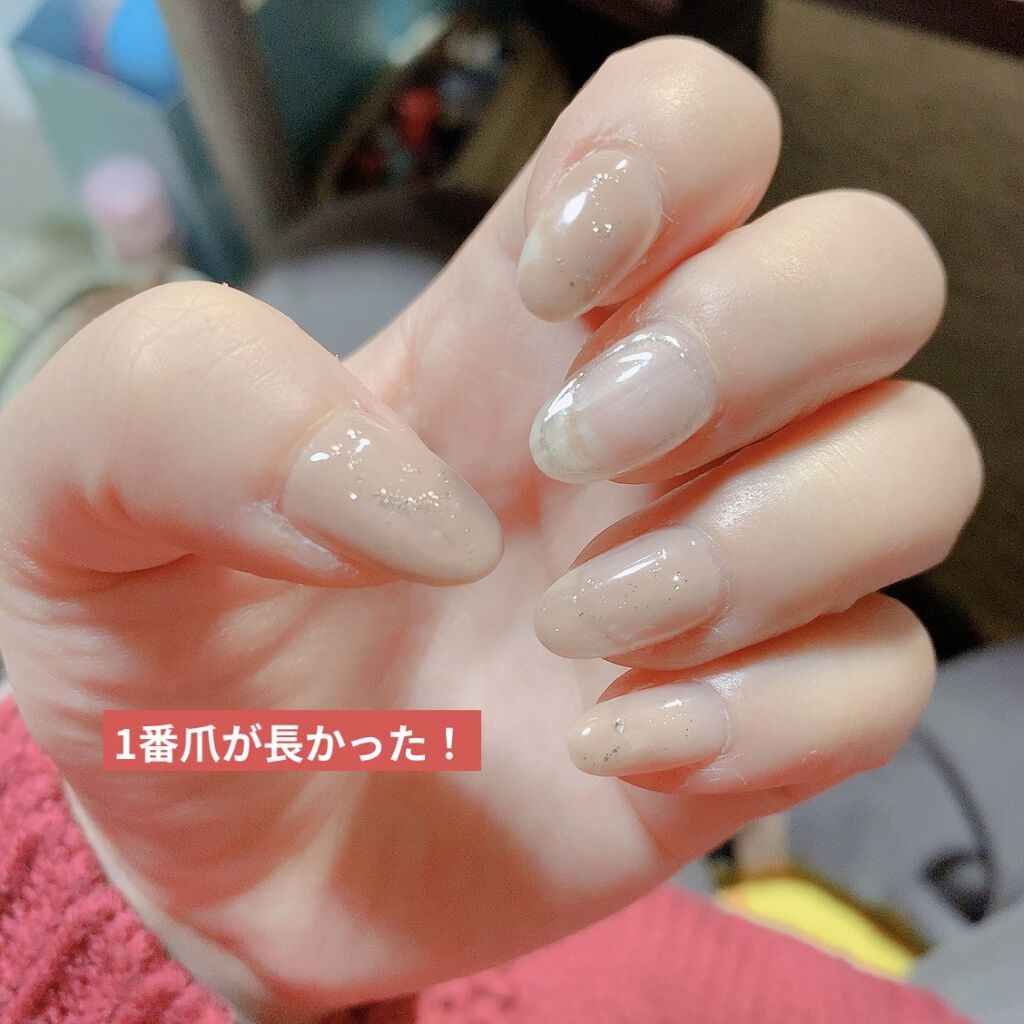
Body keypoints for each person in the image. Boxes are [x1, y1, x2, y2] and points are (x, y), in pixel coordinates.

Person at [0, 37, 982, 1023]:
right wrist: (196, 934)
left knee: (375, 236)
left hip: (488, 842)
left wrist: (160, 907)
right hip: (616, 886)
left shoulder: (243, 802)